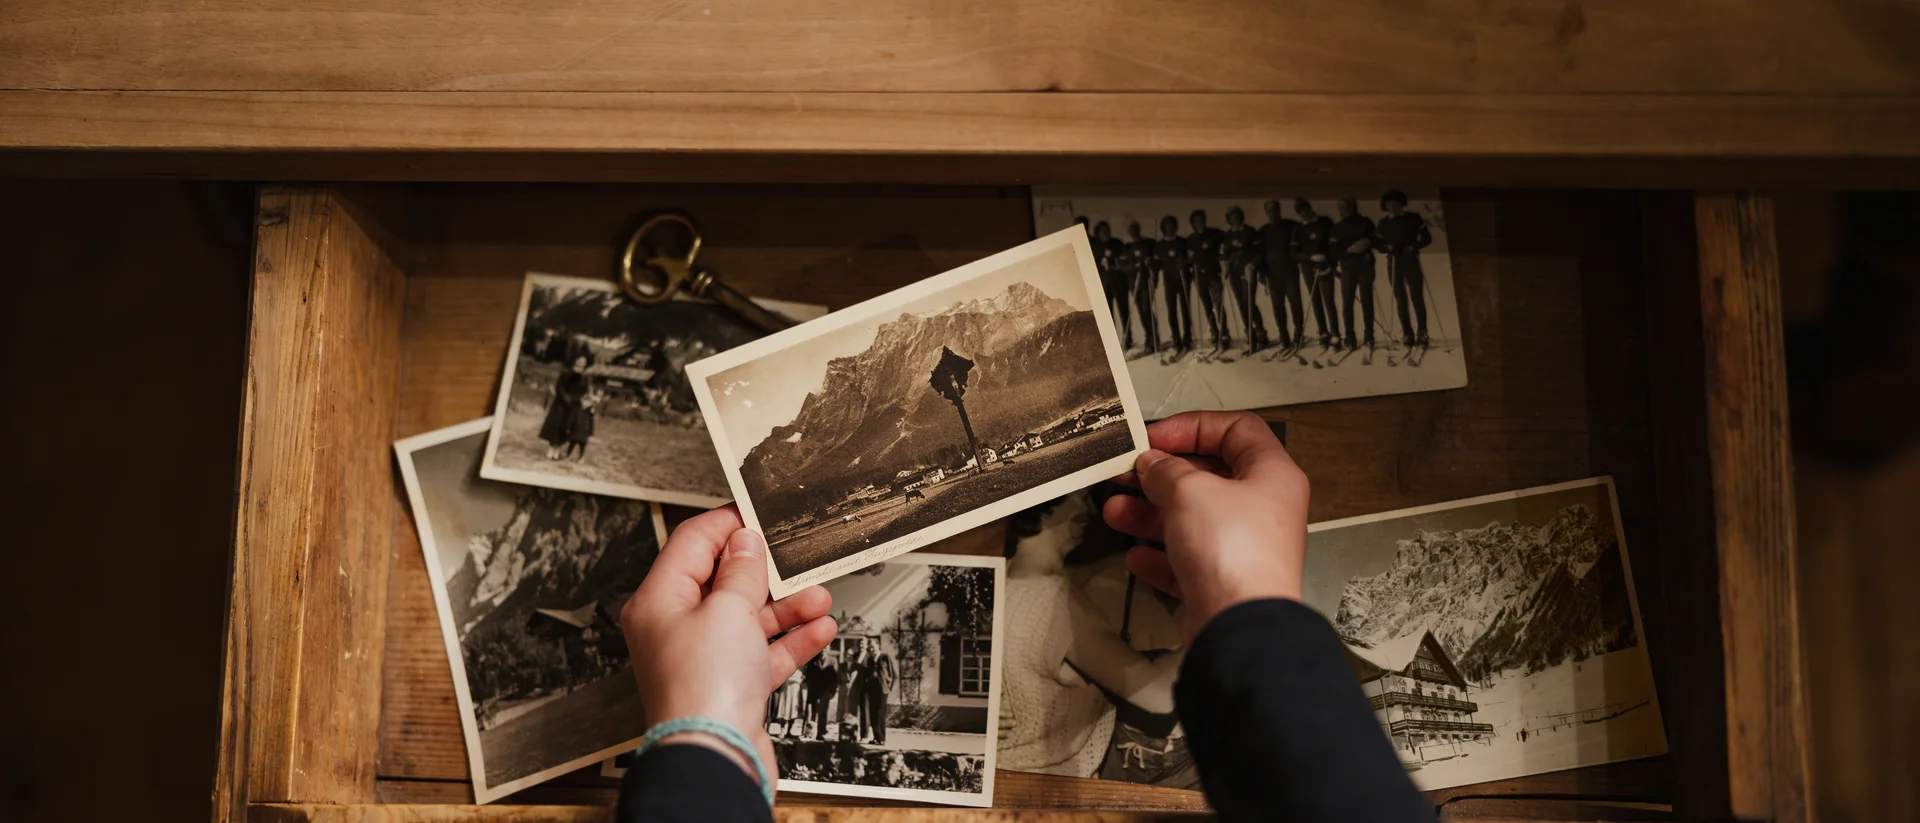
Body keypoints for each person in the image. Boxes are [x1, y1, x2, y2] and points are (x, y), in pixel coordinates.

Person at [615, 411, 1434, 822]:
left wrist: (700, 736)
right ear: (1046, 523)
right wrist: (1247, 600)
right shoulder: (1056, 601)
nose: (1083, 526)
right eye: (1072, 519)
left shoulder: (1020, 596)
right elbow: (1150, 697)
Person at [1375, 189, 1433, 347]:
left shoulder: (1413, 218)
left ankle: (1422, 332)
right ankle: (1407, 333)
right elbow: (1378, 244)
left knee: (1417, 297)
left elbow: (1427, 238)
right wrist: (1388, 248)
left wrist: (1415, 246)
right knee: (1401, 299)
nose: (1392, 207)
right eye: (1389, 205)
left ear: (1401, 204)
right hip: (1394, 263)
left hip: (1411, 261)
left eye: (1395, 204)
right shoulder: (1384, 223)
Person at [1329, 196, 1378, 351]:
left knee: (1367, 301)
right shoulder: (1337, 228)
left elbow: (1373, 240)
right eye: (1340, 207)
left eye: (1345, 206)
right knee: (1347, 304)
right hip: (1347, 269)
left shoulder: (1365, 223)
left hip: (1365, 267)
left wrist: (1366, 243)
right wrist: (1348, 250)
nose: (1343, 210)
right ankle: (1350, 337)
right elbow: (1333, 250)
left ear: (1353, 206)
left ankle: (1369, 336)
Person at [1292, 199, 1339, 349]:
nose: (1303, 214)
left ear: (1310, 208)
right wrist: (1309, 257)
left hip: (1325, 266)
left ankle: (1335, 333)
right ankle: (1323, 333)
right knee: (1316, 300)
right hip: (1307, 267)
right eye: (1299, 212)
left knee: (1328, 301)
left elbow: (1333, 246)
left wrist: (1330, 264)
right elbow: (1293, 253)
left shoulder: (1325, 222)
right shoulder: (1298, 229)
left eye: (1304, 210)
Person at [1258, 199, 1304, 350]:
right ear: (1266, 212)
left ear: (1279, 210)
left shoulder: (1291, 226)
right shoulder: (1263, 231)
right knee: (1278, 307)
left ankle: (1298, 335)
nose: (1273, 213)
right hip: (1272, 275)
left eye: (1275, 209)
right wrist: (1262, 274)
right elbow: (1261, 255)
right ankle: (1284, 337)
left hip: (1290, 273)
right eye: (1270, 210)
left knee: (1295, 304)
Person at [1222, 206, 1268, 354]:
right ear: (1228, 220)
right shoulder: (1227, 236)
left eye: (1236, 216)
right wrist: (1226, 268)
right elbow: (1226, 255)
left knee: (1249, 302)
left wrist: (1253, 264)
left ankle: (1261, 334)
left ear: (1241, 217)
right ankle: (1250, 333)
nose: (1234, 220)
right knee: (1241, 304)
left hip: (1248, 271)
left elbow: (1259, 251)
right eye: (1231, 217)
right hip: (1235, 273)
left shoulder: (1250, 232)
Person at [1185, 210, 1229, 353]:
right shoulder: (1191, 239)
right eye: (1197, 220)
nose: (1200, 222)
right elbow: (1188, 257)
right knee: (1207, 306)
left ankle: (1224, 334)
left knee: (1218, 304)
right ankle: (1215, 334)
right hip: (1199, 276)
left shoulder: (1214, 234)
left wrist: (1223, 255)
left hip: (1214, 274)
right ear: (1193, 223)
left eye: (1202, 219)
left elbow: (1226, 242)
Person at [539, 354, 597, 461]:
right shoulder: (566, 372)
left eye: (583, 362)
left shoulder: (584, 377)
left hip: (574, 407)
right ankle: (551, 450)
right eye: (580, 360)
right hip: (561, 404)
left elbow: (584, 392)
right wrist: (567, 400)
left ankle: (557, 452)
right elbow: (559, 387)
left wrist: (584, 401)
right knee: (557, 426)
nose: (581, 363)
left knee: (566, 428)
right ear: (575, 360)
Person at [1153, 216, 1192, 355]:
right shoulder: (1159, 245)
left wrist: (1185, 262)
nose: (1170, 228)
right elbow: (1156, 264)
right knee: (1171, 311)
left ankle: (1187, 338)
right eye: (1167, 226)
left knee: (1185, 309)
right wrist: (1152, 269)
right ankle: (1176, 339)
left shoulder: (1182, 242)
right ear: (1163, 228)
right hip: (1169, 281)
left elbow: (1189, 259)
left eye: (1172, 225)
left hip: (1183, 279)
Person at [1092, 221, 1133, 350]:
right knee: (1108, 314)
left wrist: (1117, 263)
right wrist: (1100, 264)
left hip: (1120, 282)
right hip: (1104, 283)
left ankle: (1128, 339)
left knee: (1124, 311)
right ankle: (1112, 342)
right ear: (1098, 233)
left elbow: (1125, 258)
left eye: (1107, 230)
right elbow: (1090, 263)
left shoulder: (1117, 243)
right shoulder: (1095, 246)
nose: (1106, 233)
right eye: (1103, 231)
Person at [1122, 221, 1160, 356]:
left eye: (1135, 230)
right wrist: (1136, 265)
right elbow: (1124, 267)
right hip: (1134, 284)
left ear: (1138, 230)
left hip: (1146, 281)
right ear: (1129, 233)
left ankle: (1154, 339)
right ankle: (1149, 337)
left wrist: (1150, 263)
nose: (1133, 233)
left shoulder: (1149, 243)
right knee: (1141, 311)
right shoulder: (1128, 247)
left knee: (1146, 309)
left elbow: (1156, 261)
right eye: (1131, 231)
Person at [852, 636, 896, 745]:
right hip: (872, 689)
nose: (871, 649)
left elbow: (893, 675)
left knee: (880, 713)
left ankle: (881, 738)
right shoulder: (870, 660)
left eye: (873, 647)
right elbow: (868, 674)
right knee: (872, 713)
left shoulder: (885, 657)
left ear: (878, 646)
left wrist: (888, 688)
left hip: (882, 689)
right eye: (870, 647)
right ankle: (876, 737)